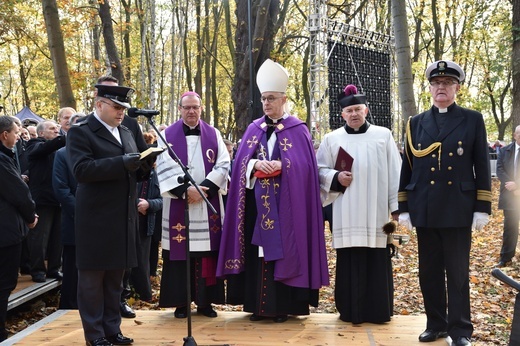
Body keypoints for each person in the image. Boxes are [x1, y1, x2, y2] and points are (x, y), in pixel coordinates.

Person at [216, 59, 329, 323]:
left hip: (287, 207)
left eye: (271, 98)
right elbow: (240, 162)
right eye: (264, 99)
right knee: (258, 253)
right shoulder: (254, 128)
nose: (266, 103)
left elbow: (306, 168)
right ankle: (258, 306)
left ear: (284, 99)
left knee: (285, 252)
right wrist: (255, 163)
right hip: (256, 206)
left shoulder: (298, 129)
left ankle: (283, 307)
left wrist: (283, 164)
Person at [398, 60, 492, 346]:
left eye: (448, 83)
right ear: (429, 88)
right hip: (425, 207)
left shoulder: (472, 119)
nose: (442, 87)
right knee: (429, 272)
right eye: (437, 83)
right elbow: (408, 167)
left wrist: (482, 206)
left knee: (458, 273)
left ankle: (460, 330)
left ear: (457, 88)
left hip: (458, 208)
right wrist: (403, 206)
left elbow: (481, 165)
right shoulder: (415, 123)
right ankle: (436, 324)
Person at [67, 83, 151, 346]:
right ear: (99, 104)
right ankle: (95, 335)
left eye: (124, 108)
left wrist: (145, 165)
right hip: (95, 219)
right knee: (92, 282)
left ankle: (112, 330)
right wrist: (122, 163)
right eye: (116, 107)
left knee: (116, 279)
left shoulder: (125, 132)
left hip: (122, 217)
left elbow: (133, 170)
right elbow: (81, 170)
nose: (121, 113)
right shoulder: (81, 133)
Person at [316, 84, 401, 324]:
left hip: (377, 212)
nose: (354, 114)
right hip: (346, 210)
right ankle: (350, 311)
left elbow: (395, 171)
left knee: (377, 257)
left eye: (358, 109)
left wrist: (396, 206)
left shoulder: (383, 135)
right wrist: (335, 177)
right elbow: (319, 169)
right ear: (342, 114)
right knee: (350, 259)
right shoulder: (332, 139)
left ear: (366, 110)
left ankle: (378, 311)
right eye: (349, 111)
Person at [155, 91, 229, 318]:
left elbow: (224, 163)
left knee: (207, 253)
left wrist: (204, 187)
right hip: (180, 203)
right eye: (187, 107)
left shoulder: (213, 133)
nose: (191, 111)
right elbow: (163, 164)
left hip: (208, 202)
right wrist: (184, 192)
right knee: (181, 255)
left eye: (195, 107)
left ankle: (206, 303)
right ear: (179, 109)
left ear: (201, 108)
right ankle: (182, 303)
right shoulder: (166, 134)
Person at [0, 116, 38, 342]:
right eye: (15, 132)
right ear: (5, 134)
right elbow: (19, 193)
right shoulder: (2, 161)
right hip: (5, 231)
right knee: (4, 283)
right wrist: (30, 216)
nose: (18, 136)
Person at [52, 113, 86, 309]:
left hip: (98, 223)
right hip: (74, 221)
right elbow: (61, 189)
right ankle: (69, 307)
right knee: (72, 270)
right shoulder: (62, 154)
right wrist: (83, 213)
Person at [25, 120, 66, 282]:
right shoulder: (34, 145)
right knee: (39, 238)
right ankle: (38, 270)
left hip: (59, 199)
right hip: (43, 200)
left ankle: (54, 268)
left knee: (58, 238)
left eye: (57, 128)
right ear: (41, 133)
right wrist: (63, 137)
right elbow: (44, 149)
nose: (56, 131)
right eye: (52, 129)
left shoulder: (59, 148)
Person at [495, 125, 520, 267]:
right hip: (510, 195)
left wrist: (517, 185)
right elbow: (499, 169)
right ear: (514, 135)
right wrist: (512, 186)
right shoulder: (505, 151)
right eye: (519, 134)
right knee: (510, 227)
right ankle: (506, 257)